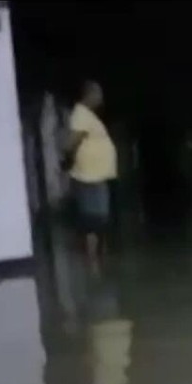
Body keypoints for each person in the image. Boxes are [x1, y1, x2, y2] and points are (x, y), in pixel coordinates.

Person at [64, 80, 118, 275]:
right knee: (93, 218)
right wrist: (67, 159)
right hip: (89, 175)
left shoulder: (87, 116)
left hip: (96, 175)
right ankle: (92, 261)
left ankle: (97, 260)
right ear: (89, 95)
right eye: (98, 94)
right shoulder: (81, 114)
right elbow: (72, 142)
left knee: (99, 217)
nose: (101, 98)